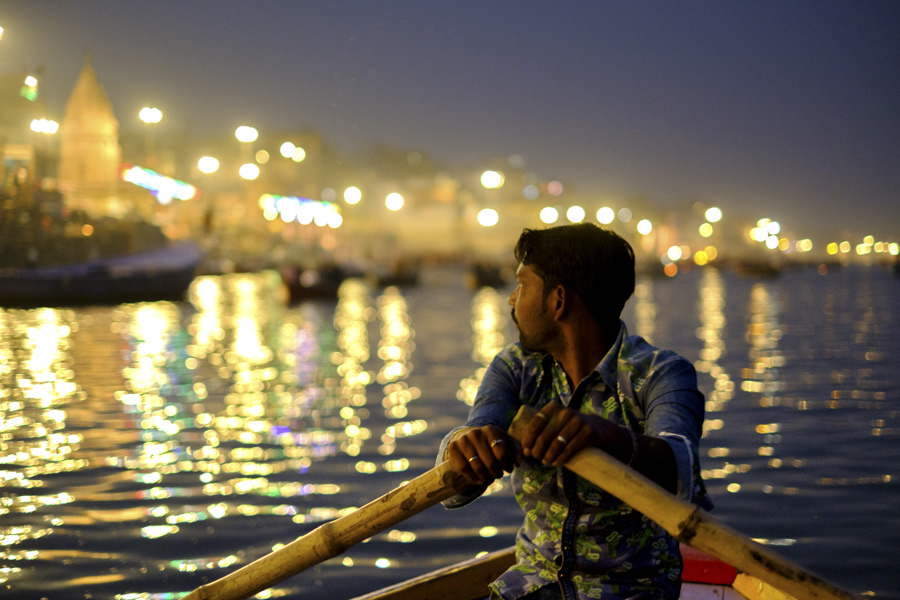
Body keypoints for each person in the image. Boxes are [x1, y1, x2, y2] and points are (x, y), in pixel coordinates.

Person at [437, 223, 711, 600]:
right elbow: (461, 474)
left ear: (558, 300)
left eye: (523, 285)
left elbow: (683, 470)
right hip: (530, 587)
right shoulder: (516, 369)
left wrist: (606, 437)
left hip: (630, 593)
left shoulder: (661, 373)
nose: (511, 299)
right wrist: (467, 448)